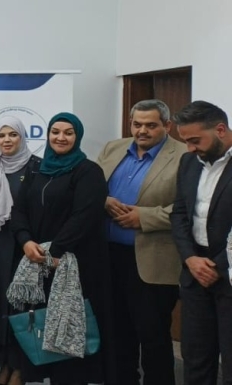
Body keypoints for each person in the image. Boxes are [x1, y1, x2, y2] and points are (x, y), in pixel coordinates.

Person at [10, 112, 115, 384]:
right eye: (55, 132)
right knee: (43, 327)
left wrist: (55, 251)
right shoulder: (37, 169)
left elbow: (85, 216)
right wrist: (25, 240)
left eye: (68, 133)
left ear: (77, 137)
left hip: (74, 265)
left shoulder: (88, 171)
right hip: (39, 262)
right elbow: (18, 210)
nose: (61, 137)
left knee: (70, 329)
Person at [96, 99, 185, 385]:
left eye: (150, 125)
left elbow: (189, 208)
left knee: (153, 337)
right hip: (109, 258)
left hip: (153, 261)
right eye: (137, 124)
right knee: (116, 334)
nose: (142, 131)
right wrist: (103, 200)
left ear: (167, 126)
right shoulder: (112, 149)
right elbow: (88, 188)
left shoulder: (184, 156)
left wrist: (144, 217)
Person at [170, 100, 232, 385]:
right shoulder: (188, 162)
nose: (190, 148)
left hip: (227, 271)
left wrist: (217, 265)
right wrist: (190, 258)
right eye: (186, 141)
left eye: (195, 140)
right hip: (194, 273)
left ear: (220, 130)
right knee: (195, 359)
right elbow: (179, 213)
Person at [0, 116, 41, 385]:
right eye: (1, 135)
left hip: (23, 246)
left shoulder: (37, 166)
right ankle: (3, 363)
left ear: (22, 137)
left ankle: (20, 367)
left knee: (21, 307)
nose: (6, 140)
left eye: (12, 135)